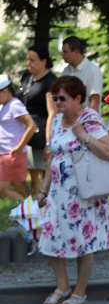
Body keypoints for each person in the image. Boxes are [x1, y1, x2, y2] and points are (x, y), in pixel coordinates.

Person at [37, 76, 109, 304]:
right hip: (58, 192)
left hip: (84, 194)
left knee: (84, 241)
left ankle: (80, 293)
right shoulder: (59, 120)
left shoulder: (90, 118)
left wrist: (84, 135)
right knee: (49, 236)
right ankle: (63, 286)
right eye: (55, 98)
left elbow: (108, 152)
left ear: (78, 98)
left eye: (63, 98)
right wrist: (43, 190)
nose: (58, 102)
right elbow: (54, 156)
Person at [17, 44, 57, 194]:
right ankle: (28, 205)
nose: (29, 63)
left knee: (38, 174)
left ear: (43, 61)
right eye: (28, 59)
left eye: (33, 60)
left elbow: (52, 112)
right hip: (22, 132)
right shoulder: (26, 77)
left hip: (40, 134)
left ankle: (38, 208)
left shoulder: (50, 81)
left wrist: (49, 142)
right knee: (27, 173)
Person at [0, 75, 36, 200]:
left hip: (12, 153)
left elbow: (31, 125)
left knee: (2, 190)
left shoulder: (15, 105)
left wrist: (20, 147)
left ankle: (31, 209)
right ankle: (30, 208)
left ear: (5, 91)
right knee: (19, 186)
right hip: (5, 153)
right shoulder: (6, 106)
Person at [60, 36, 103, 114]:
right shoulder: (66, 71)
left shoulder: (92, 70)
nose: (62, 54)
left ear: (76, 52)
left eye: (65, 51)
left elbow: (95, 102)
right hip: (68, 121)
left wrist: (88, 123)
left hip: (85, 122)